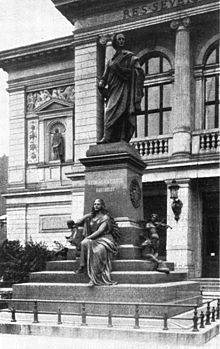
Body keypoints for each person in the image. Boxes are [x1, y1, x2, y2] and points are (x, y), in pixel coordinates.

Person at [97, 33, 144, 144]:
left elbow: (139, 72)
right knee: (109, 112)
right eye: (119, 39)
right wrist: (101, 83)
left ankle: (122, 138)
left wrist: (123, 70)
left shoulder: (130, 57)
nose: (122, 41)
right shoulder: (111, 61)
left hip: (125, 89)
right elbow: (105, 76)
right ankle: (107, 137)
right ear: (114, 42)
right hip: (113, 90)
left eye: (123, 39)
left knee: (123, 113)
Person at [67, 198, 120, 287]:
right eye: (95, 204)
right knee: (84, 243)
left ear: (102, 206)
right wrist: (88, 215)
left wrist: (88, 237)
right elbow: (79, 222)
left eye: (98, 204)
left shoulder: (105, 217)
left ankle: (95, 278)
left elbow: (100, 231)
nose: (96, 206)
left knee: (98, 251)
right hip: (94, 239)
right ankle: (82, 266)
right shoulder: (91, 217)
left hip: (105, 239)